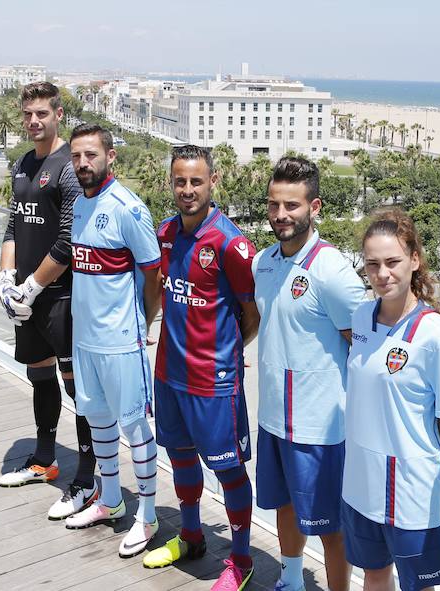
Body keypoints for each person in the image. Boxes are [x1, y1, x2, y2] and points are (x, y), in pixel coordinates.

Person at [142, 145, 260, 591]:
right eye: (180, 181)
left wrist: (224, 353)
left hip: (214, 381)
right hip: (169, 373)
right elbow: (160, 293)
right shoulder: (166, 232)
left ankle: (242, 560)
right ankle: (191, 537)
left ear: (214, 182)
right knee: (181, 457)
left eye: (196, 181)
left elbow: (251, 315)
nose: (187, 189)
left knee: (228, 471)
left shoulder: (232, 243)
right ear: (171, 183)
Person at [252, 156, 365, 591]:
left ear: (314, 207)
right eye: (274, 204)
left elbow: (364, 344)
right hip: (273, 419)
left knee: (330, 526)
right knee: (282, 506)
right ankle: (292, 580)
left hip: (319, 428)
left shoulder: (331, 270)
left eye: (292, 206)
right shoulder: (264, 261)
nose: (281, 215)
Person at [343, 209, 440, 591]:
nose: (383, 274)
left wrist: (417, 453)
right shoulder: (361, 318)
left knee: (420, 584)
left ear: (414, 259)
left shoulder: (435, 336)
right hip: (360, 479)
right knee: (374, 574)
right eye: (373, 264)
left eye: (392, 262)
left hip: (410, 488)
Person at [60, 123, 162, 558]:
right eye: (77, 156)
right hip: (86, 340)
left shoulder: (128, 207)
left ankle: (149, 515)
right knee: (98, 421)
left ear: (110, 156)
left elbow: (152, 271)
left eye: (91, 155)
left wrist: (143, 322)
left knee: (135, 428)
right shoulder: (80, 207)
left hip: (122, 342)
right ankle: (109, 499)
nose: (84, 163)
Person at [0, 82, 97, 521]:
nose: (34, 121)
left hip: (60, 298)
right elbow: (14, 228)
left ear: (58, 114)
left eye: (42, 113)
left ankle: (89, 479)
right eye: (28, 114)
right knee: (39, 377)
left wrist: (33, 286)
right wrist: (5, 278)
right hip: (25, 300)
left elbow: (69, 239)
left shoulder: (67, 167)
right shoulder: (22, 163)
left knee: (79, 391)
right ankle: (44, 459)